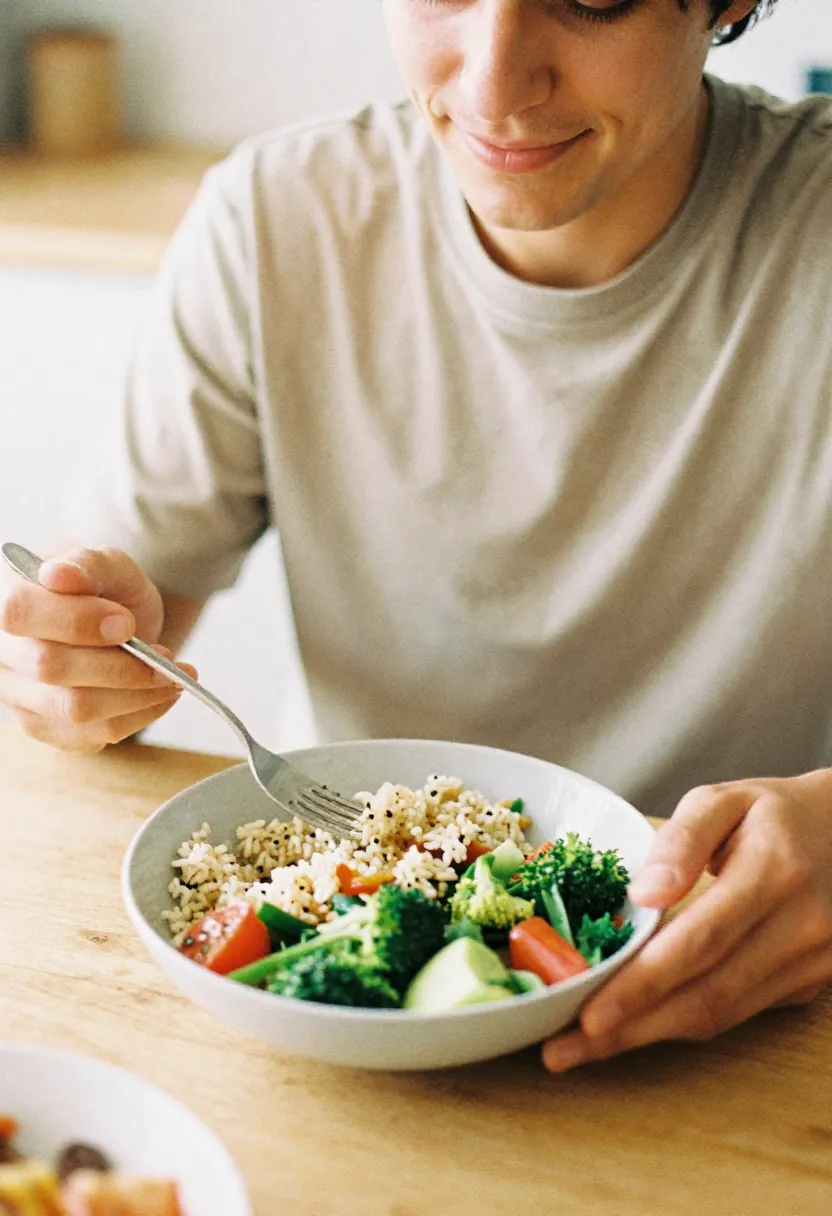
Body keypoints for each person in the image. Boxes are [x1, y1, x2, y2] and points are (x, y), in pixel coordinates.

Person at [1, 0, 831, 1071]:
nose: (494, 83)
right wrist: (75, 660)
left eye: (589, 0)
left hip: (745, 1031)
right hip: (329, 1028)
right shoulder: (274, 220)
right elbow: (99, 655)